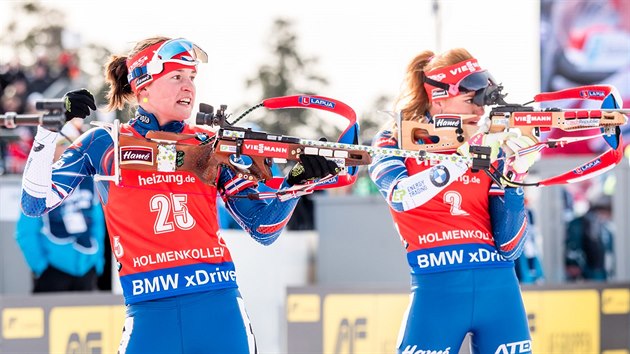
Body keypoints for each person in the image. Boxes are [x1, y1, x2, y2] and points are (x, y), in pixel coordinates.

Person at [20, 36, 339, 353]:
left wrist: (298, 182)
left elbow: (263, 228)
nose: (188, 86)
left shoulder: (211, 145)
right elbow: (34, 203)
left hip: (218, 308)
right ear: (142, 87)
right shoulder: (105, 143)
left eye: (192, 78)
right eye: (176, 77)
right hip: (148, 312)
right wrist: (48, 131)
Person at [368, 48, 539, 353]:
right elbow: (400, 196)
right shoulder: (393, 139)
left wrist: (515, 174)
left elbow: (511, 246)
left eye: (483, 99)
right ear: (439, 97)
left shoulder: (490, 145)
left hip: (500, 291)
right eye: (470, 99)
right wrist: (459, 161)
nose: (479, 110)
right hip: (436, 290)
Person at [16, 122, 106, 292]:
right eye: (63, 145)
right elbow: (26, 231)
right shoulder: (38, 183)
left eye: (72, 145)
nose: (69, 151)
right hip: (53, 269)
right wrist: (41, 266)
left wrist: (97, 261)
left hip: (86, 267)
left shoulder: (88, 179)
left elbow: (97, 222)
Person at [565, 194, 615, 281]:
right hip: (589, 273)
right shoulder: (581, 224)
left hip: (598, 272)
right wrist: (573, 263)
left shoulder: (605, 227)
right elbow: (573, 248)